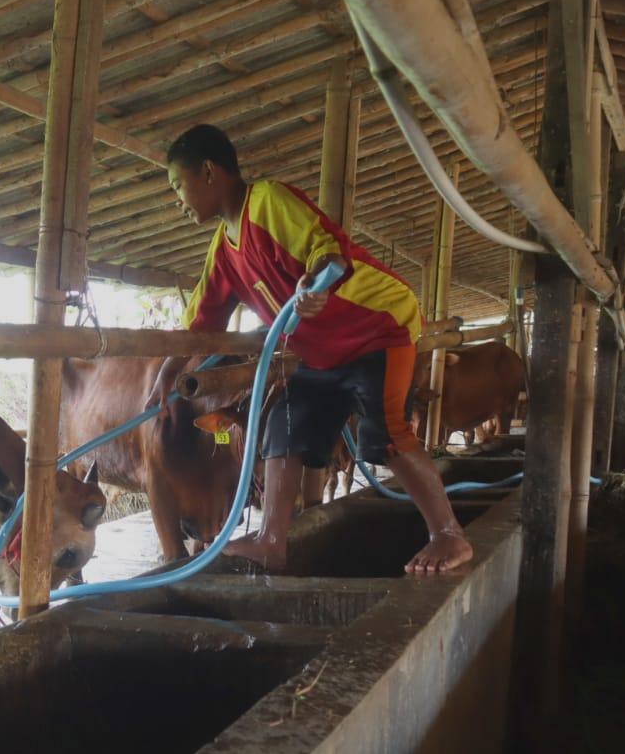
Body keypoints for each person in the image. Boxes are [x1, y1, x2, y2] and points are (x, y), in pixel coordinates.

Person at [144, 124, 471, 575]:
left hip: (378, 327)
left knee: (388, 432)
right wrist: (168, 371)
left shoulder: (268, 202)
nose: (179, 201)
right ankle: (271, 540)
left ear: (208, 172)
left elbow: (328, 250)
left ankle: (449, 535)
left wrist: (316, 280)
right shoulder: (223, 249)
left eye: (178, 186)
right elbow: (200, 321)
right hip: (321, 353)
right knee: (283, 425)